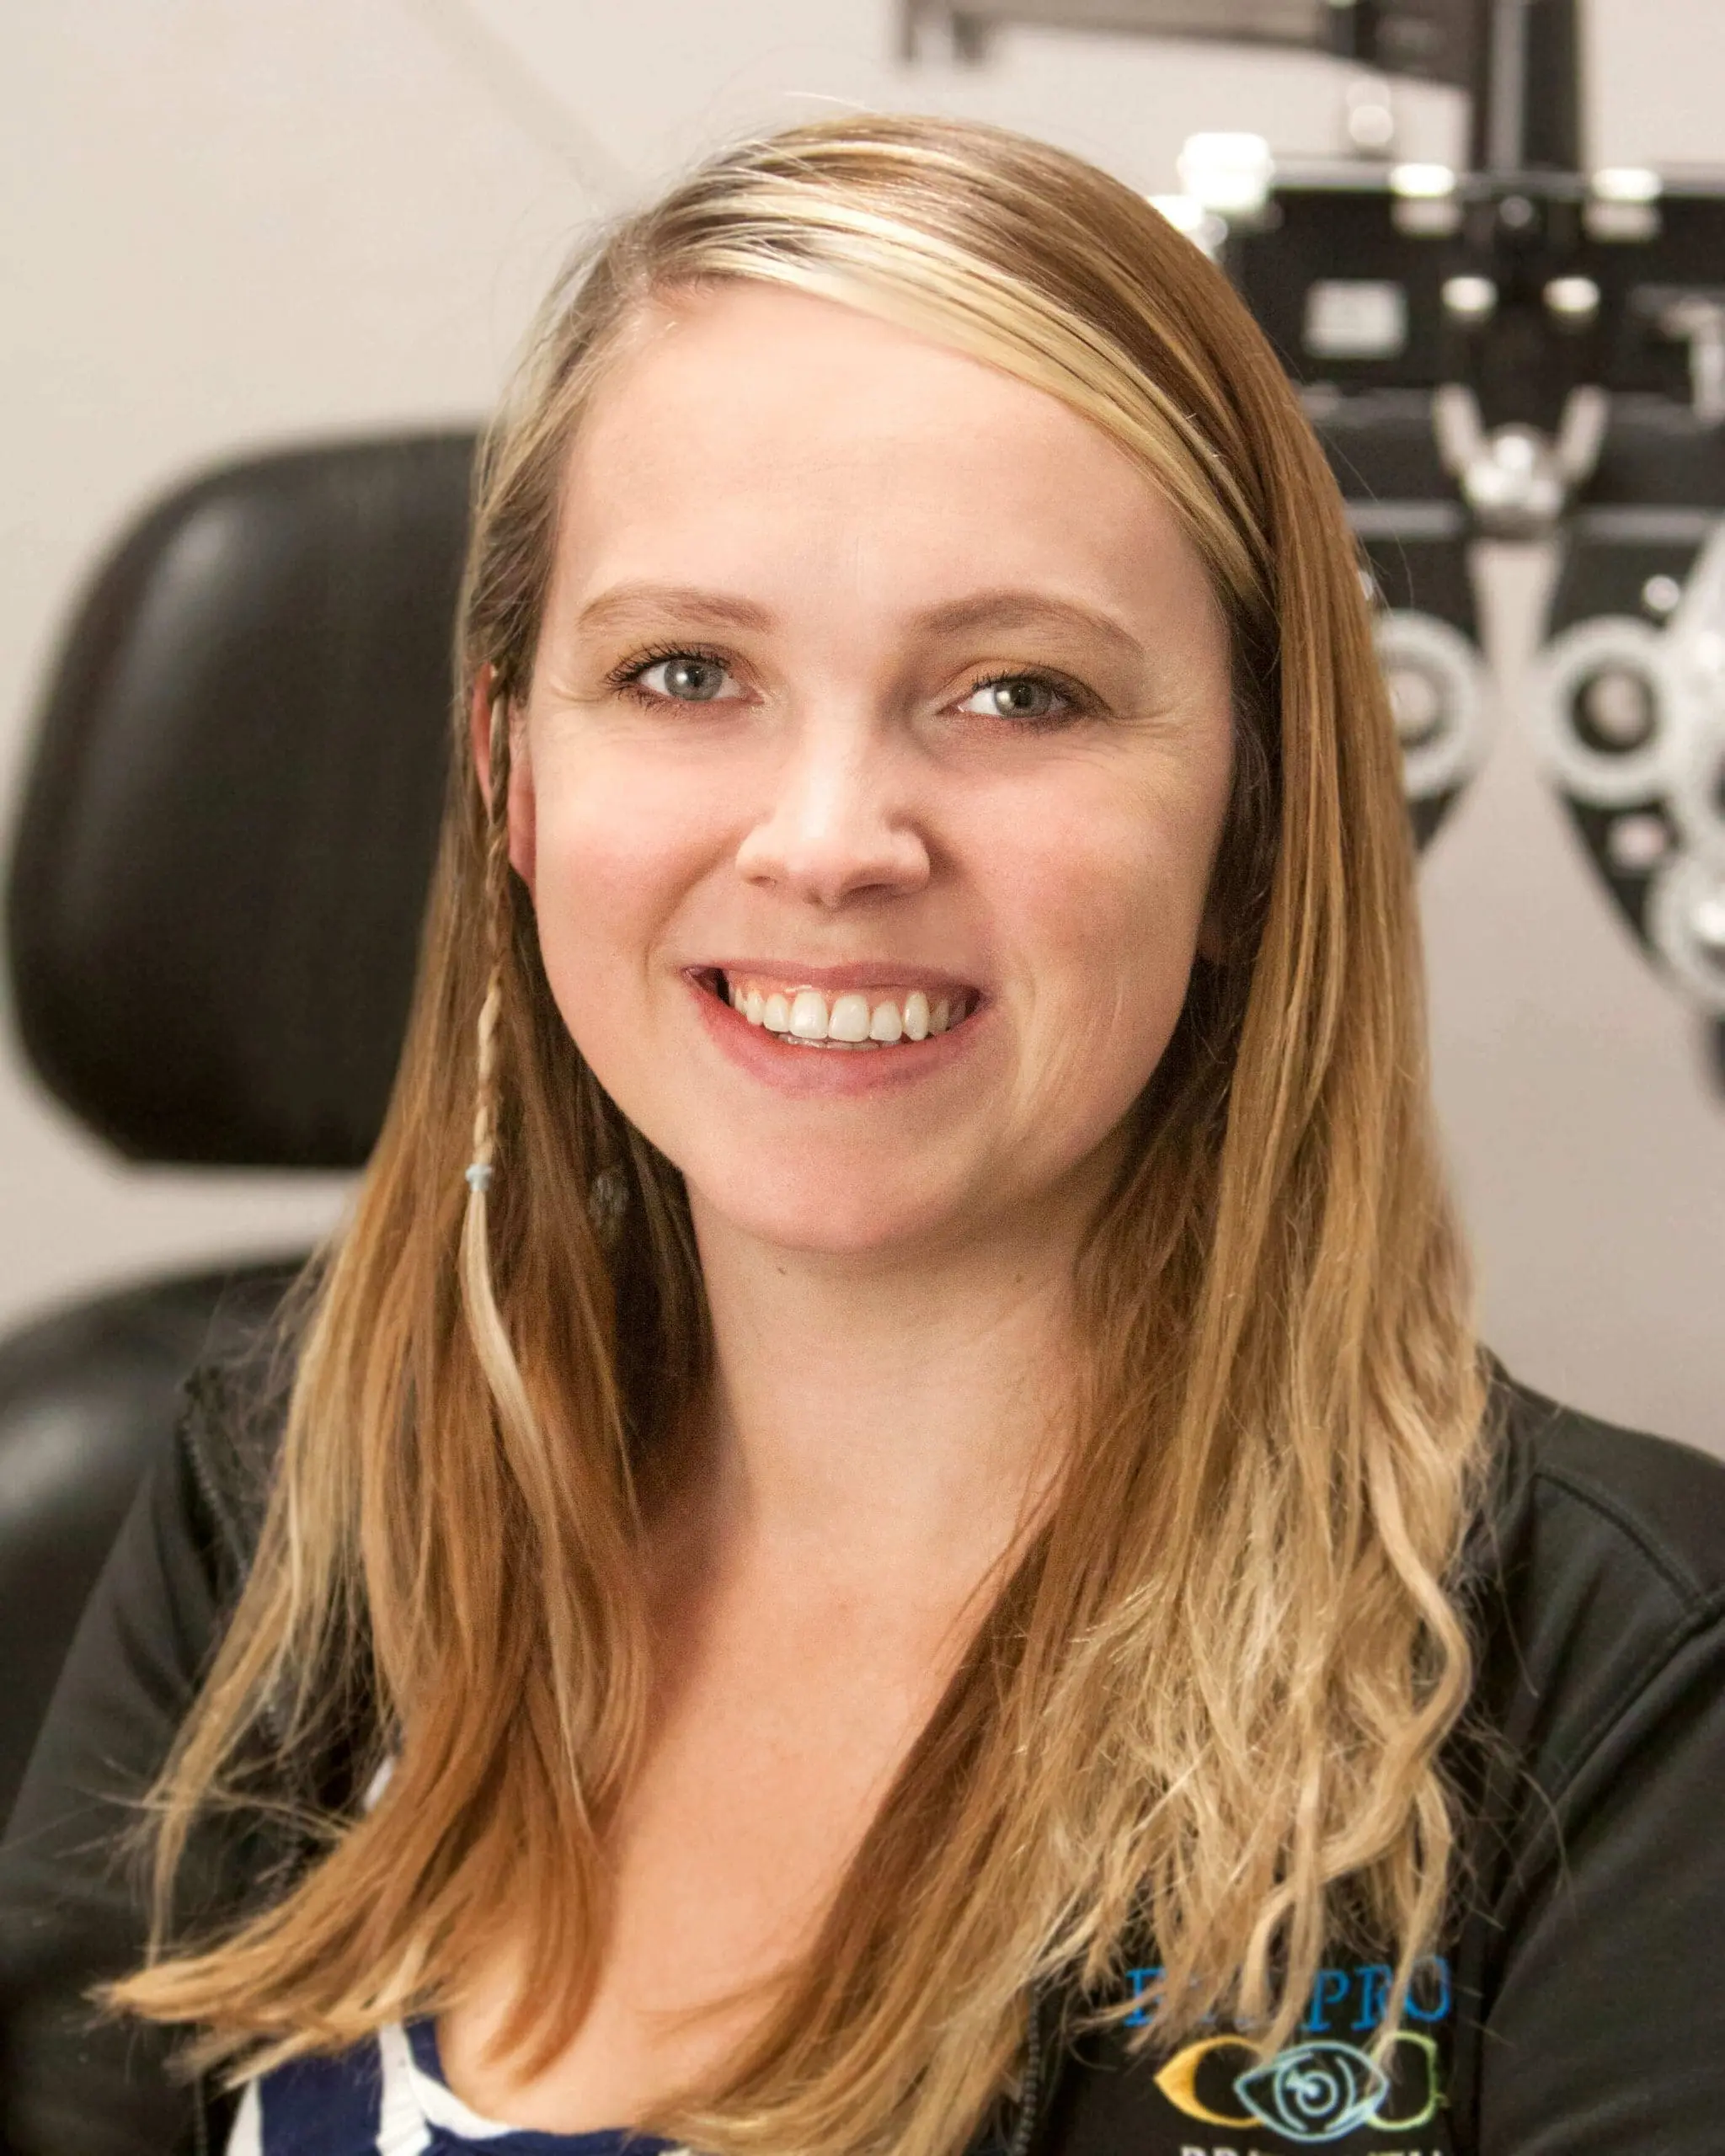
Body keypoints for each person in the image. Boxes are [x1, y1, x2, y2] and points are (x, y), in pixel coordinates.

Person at [3, 113, 1724, 2156]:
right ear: (511, 773)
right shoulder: (286, 1509)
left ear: (1256, 811)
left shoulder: (1624, 1696)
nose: (828, 842)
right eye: (683, 670)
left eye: (1016, 694)